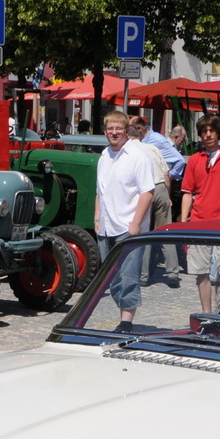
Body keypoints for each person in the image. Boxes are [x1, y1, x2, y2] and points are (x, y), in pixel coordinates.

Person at [93, 111, 154, 329]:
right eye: (110, 129)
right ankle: (122, 317)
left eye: (118, 128)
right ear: (105, 131)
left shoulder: (138, 156)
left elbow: (147, 191)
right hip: (106, 227)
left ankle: (126, 323)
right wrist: (97, 217)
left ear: (127, 130)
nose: (114, 132)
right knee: (113, 278)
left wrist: (136, 224)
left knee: (128, 277)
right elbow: (100, 191)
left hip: (128, 227)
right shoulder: (104, 156)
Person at [179, 118, 220, 311]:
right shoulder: (194, 159)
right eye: (204, 131)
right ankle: (207, 313)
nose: (208, 135)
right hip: (199, 223)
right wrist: (184, 222)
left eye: (211, 130)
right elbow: (187, 193)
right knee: (201, 272)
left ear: (219, 133)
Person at [127, 116, 177, 285]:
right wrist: (168, 196)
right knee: (165, 232)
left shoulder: (128, 150)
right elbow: (166, 175)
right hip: (161, 188)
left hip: (144, 191)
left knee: (145, 233)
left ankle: (143, 276)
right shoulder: (152, 148)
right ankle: (172, 272)